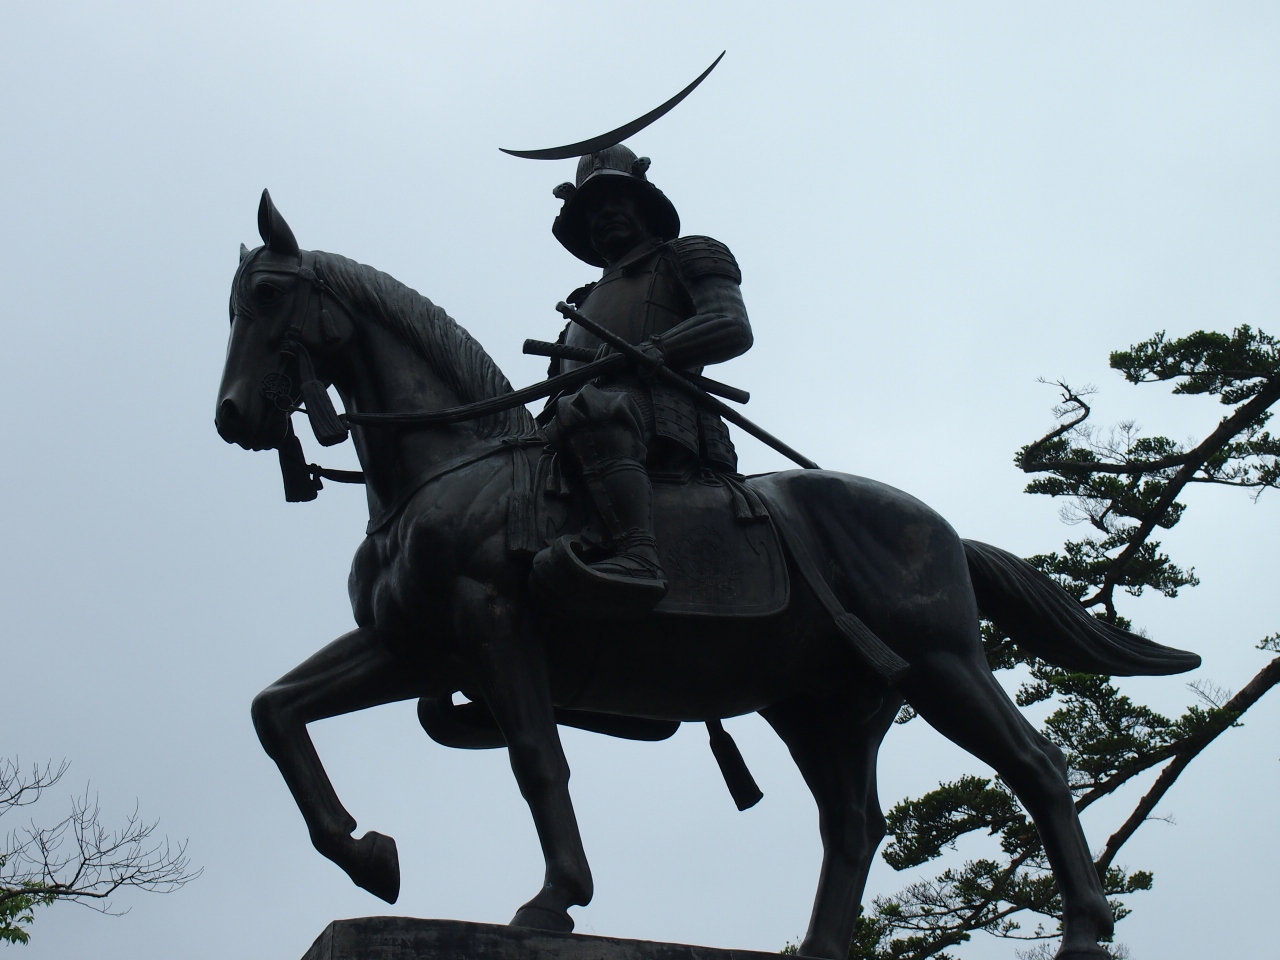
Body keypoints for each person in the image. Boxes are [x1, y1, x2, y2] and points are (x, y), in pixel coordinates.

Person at [531, 143, 753, 616]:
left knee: (593, 409)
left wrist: (659, 348)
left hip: (661, 411)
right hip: (573, 419)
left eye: (618, 199)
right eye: (592, 210)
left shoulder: (686, 254)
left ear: (645, 205)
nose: (605, 214)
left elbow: (730, 325)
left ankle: (638, 553)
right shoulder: (582, 301)